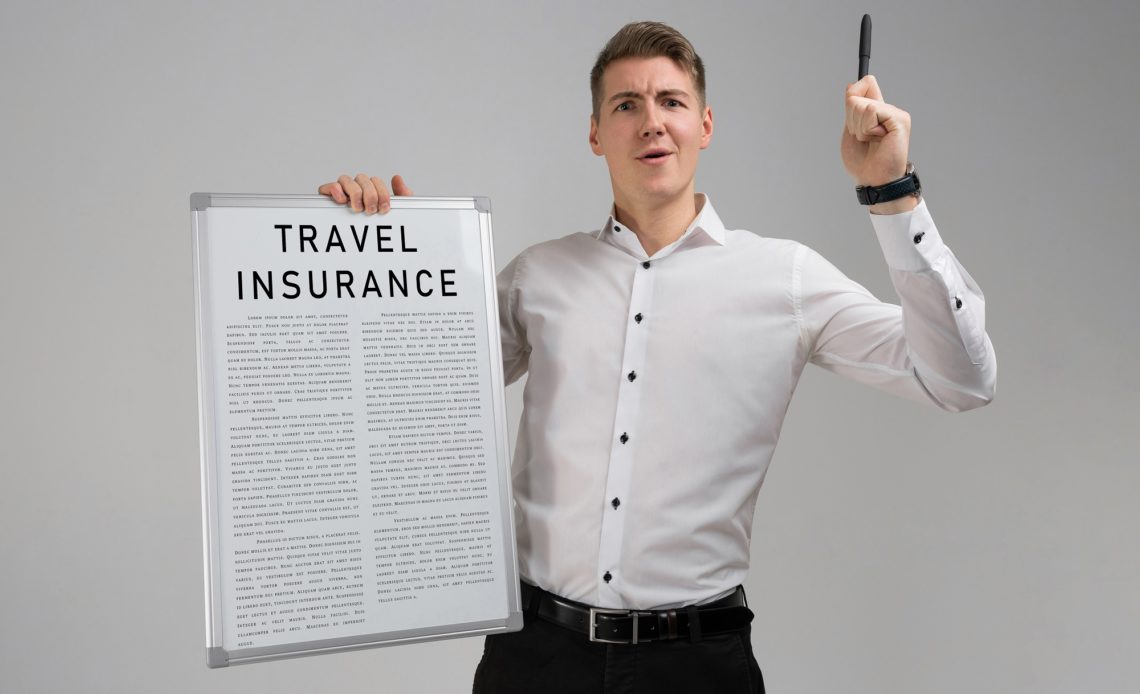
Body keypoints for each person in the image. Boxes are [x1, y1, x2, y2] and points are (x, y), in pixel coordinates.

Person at [319, 20, 995, 694]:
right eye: (626, 105)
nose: (651, 123)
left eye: (671, 102)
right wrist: (385, 258)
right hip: (535, 661)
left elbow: (960, 380)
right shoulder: (538, 277)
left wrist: (891, 193)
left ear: (704, 125)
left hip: (698, 667)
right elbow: (399, 402)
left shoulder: (782, 278)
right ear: (595, 134)